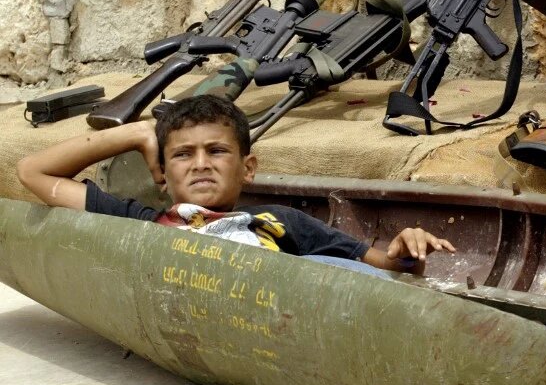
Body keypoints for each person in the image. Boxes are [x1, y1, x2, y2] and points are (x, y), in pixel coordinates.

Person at [16, 95, 455, 277]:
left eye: (217, 151)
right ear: (162, 174)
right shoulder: (141, 224)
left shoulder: (278, 224)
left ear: (248, 169)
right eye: (183, 155)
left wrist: (405, 251)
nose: (201, 164)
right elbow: (33, 172)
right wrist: (135, 134)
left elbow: (384, 270)